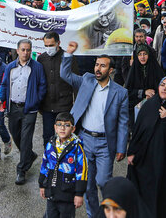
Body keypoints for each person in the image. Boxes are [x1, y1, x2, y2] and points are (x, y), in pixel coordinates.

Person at [60, 41, 129, 217]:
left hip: (105, 143)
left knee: (103, 181)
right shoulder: (86, 80)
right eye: (97, 65)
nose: (98, 68)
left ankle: (108, 212)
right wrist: (68, 54)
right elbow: (65, 74)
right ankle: (93, 215)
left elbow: (123, 122)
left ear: (111, 70)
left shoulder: (120, 92)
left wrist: (122, 147)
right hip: (84, 140)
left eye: (103, 66)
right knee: (87, 183)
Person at [126, 76, 166, 217]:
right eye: (162, 85)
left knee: (164, 198)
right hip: (147, 161)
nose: (164, 88)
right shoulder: (150, 105)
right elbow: (138, 131)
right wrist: (132, 151)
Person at [0, 39, 47, 185]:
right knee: (16, 135)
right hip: (13, 108)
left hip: (29, 109)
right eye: (23, 50)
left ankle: (22, 170)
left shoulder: (37, 67)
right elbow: (5, 84)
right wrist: (1, 98)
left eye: (28, 50)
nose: (26, 53)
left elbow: (42, 86)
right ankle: (29, 156)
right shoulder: (10, 67)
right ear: (17, 50)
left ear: (31, 51)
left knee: (25, 139)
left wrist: (35, 101)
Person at [39, 112, 87, 218]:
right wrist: (42, 184)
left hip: (67, 194)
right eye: (59, 125)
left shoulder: (77, 148)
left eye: (66, 125)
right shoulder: (50, 144)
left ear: (73, 129)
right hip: (52, 193)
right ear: (55, 127)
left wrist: (79, 193)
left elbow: (82, 171)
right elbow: (44, 164)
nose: (62, 128)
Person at [124, 43, 163, 126]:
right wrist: (144, 92)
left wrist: (152, 95)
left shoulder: (155, 69)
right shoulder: (133, 70)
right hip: (136, 107)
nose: (142, 57)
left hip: (153, 105)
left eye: (145, 54)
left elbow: (162, 88)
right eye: (140, 54)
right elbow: (128, 91)